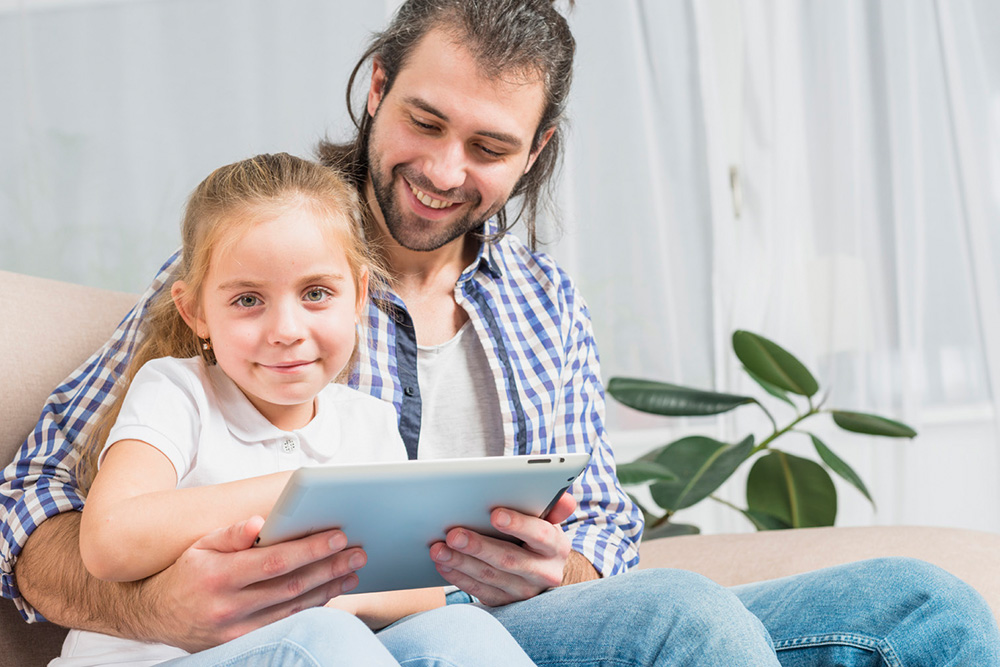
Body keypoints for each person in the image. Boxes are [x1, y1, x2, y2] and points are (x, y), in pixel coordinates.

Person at [2, 1, 999, 665]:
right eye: (425, 122)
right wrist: (153, 608)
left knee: (926, 606)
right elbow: (33, 502)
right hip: (369, 637)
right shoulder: (254, 276)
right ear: (378, 85)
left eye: (487, 147)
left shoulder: (543, 300)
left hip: (496, 619)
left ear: (535, 153)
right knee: (677, 615)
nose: (443, 171)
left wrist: (547, 567)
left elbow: (606, 527)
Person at [52, 152, 538, 666]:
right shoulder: (177, 392)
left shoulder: (366, 423)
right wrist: (292, 490)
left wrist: (319, 592)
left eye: (316, 293)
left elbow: (421, 589)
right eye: (247, 300)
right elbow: (109, 542)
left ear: (358, 297)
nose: (286, 330)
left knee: (459, 628)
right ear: (196, 313)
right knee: (319, 638)